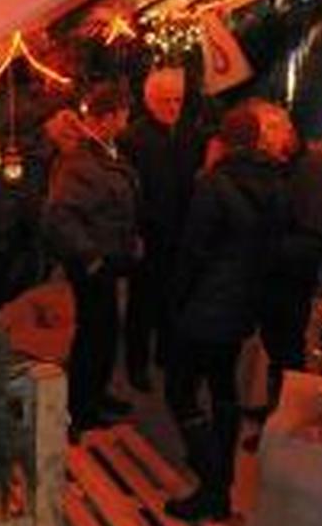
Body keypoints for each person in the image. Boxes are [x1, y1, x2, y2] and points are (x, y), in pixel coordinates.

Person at [165, 103, 286, 521]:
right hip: (241, 305)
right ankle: (226, 478)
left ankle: (213, 483)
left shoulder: (213, 185)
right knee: (223, 390)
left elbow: (192, 252)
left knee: (180, 391)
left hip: (204, 306)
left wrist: (175, 299)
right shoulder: (275, 182)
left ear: (223, 142)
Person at [43, 83, 140, 435]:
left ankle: (95, 396)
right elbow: (59, 216)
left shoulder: (105, 151)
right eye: (123, 114)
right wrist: (92, 256)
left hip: (107, 256)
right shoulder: (79, 161)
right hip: (92, 264)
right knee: (93, 335)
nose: (127, 119)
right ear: (108, 118)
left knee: (105, 331)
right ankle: (80, 410)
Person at [120, 67, 204, 392]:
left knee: (174, 297)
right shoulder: (133, 139)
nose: (173, 108)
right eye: (166, 101)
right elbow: (129, 192)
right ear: (150, 101)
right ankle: (136, 364)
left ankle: (167, 355)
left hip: (180, 231)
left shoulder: (189, 134)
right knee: (142, 304)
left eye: (178, 101)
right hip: (149, 234)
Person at [257, 101, 322, 407]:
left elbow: (317, 236)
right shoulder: (289, 167)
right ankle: (276, 409)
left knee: (287, 349)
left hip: (291, 282)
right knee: (278, 347)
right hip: (281, 278)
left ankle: (286, 413)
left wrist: (267, 247)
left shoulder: (309, 171)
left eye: (265, 136)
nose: (261, 144)